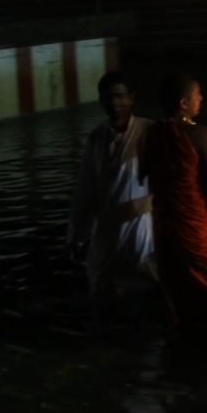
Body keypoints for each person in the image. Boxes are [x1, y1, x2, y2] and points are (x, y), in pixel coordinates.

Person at [141, 70, 207, 329]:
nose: (202, 98)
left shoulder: (151, 135)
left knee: (184, 312)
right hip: (201, 238)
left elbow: (146, 177)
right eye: (197, 94)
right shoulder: (203, 136)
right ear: (183, 103)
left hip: (168, 236)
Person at [66, 72, 159, 322]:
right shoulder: (97, 138)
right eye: (108, 98)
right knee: (108, 298)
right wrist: (77, 233)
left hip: (141, 231)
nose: (114, 103)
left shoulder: (149, 132)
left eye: (119, 96)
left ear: (131, 98)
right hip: (107, 234)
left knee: (144, 296)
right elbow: (86, 188)